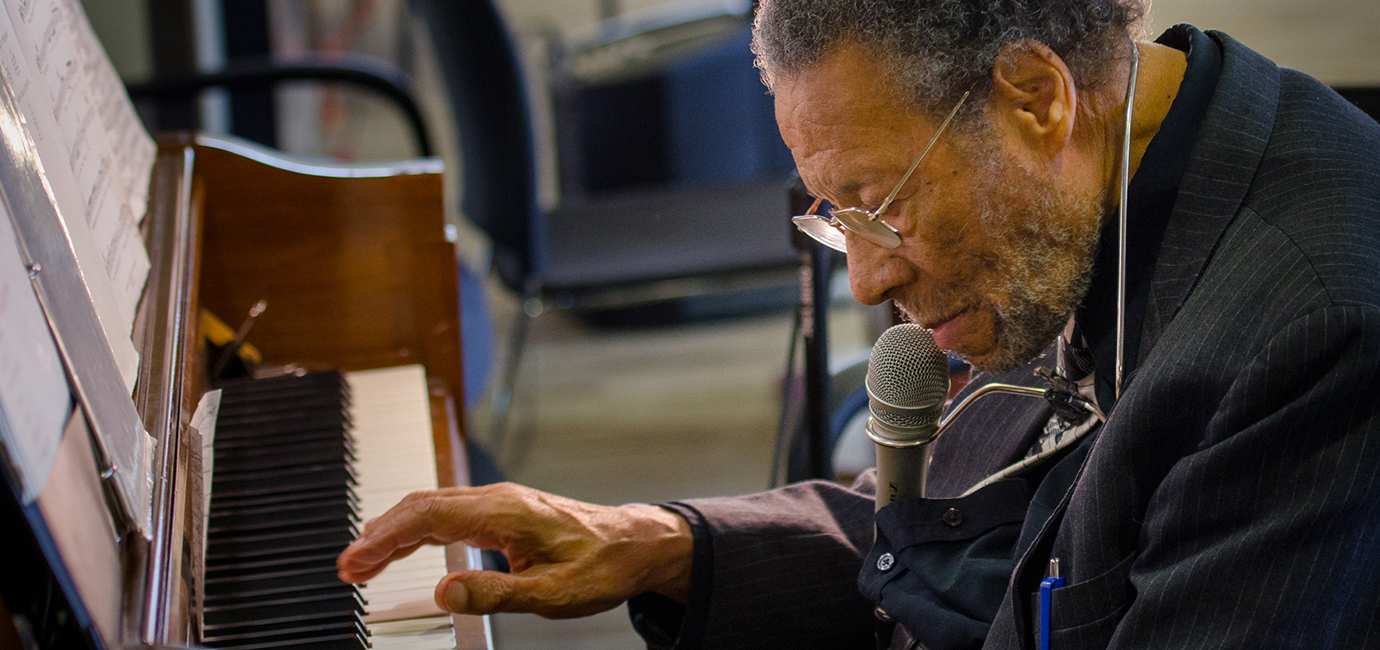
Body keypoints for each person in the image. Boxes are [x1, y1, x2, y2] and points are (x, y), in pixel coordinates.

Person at [338, 0, 1380, 647]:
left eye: (880, 203)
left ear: (1034, 97)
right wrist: (659, 543)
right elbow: (972, 539)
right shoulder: (1080, 205)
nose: (867, 281)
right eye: (837, 216)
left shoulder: (1312, 328)